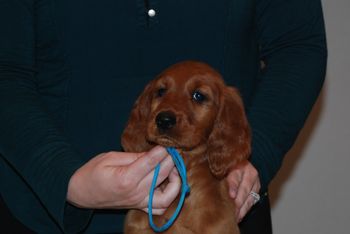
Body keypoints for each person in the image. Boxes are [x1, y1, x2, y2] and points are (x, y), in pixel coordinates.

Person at [0, 0, 327, 233]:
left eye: (198, 96)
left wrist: (257, 154)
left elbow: (298, 44)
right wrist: (64, 178)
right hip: (44, 211)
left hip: (220, 202)